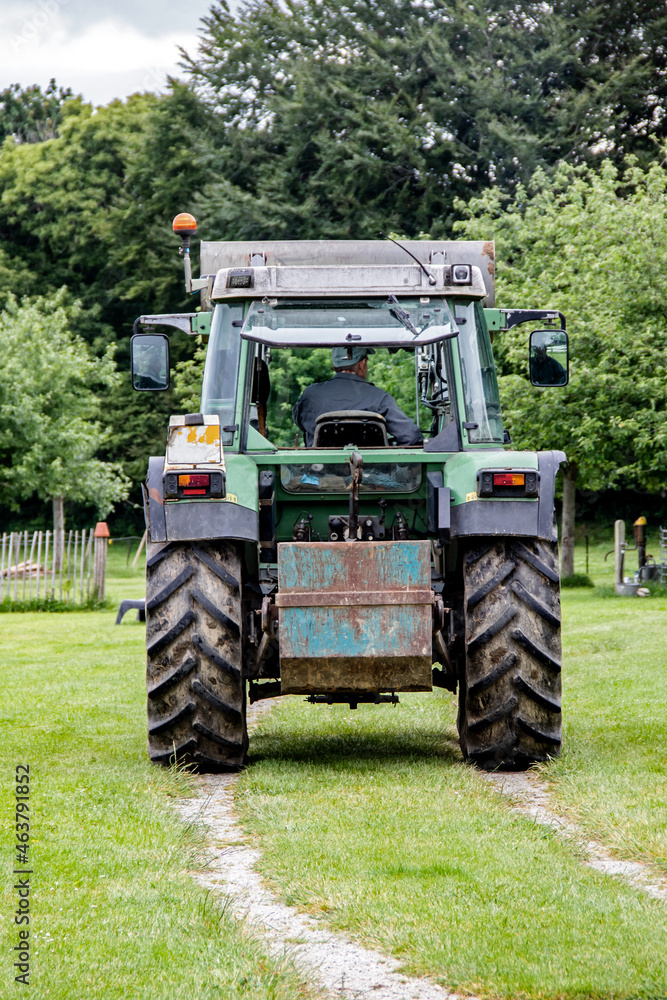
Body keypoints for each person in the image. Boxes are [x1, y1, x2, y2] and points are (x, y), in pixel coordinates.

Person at [292, 346, 423, 446]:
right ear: (362, 364)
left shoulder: (310, 395)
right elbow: (410, 436)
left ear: (334, 365)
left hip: (319, 477)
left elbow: (300, 423)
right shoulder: (379, 398)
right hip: (371, 477)